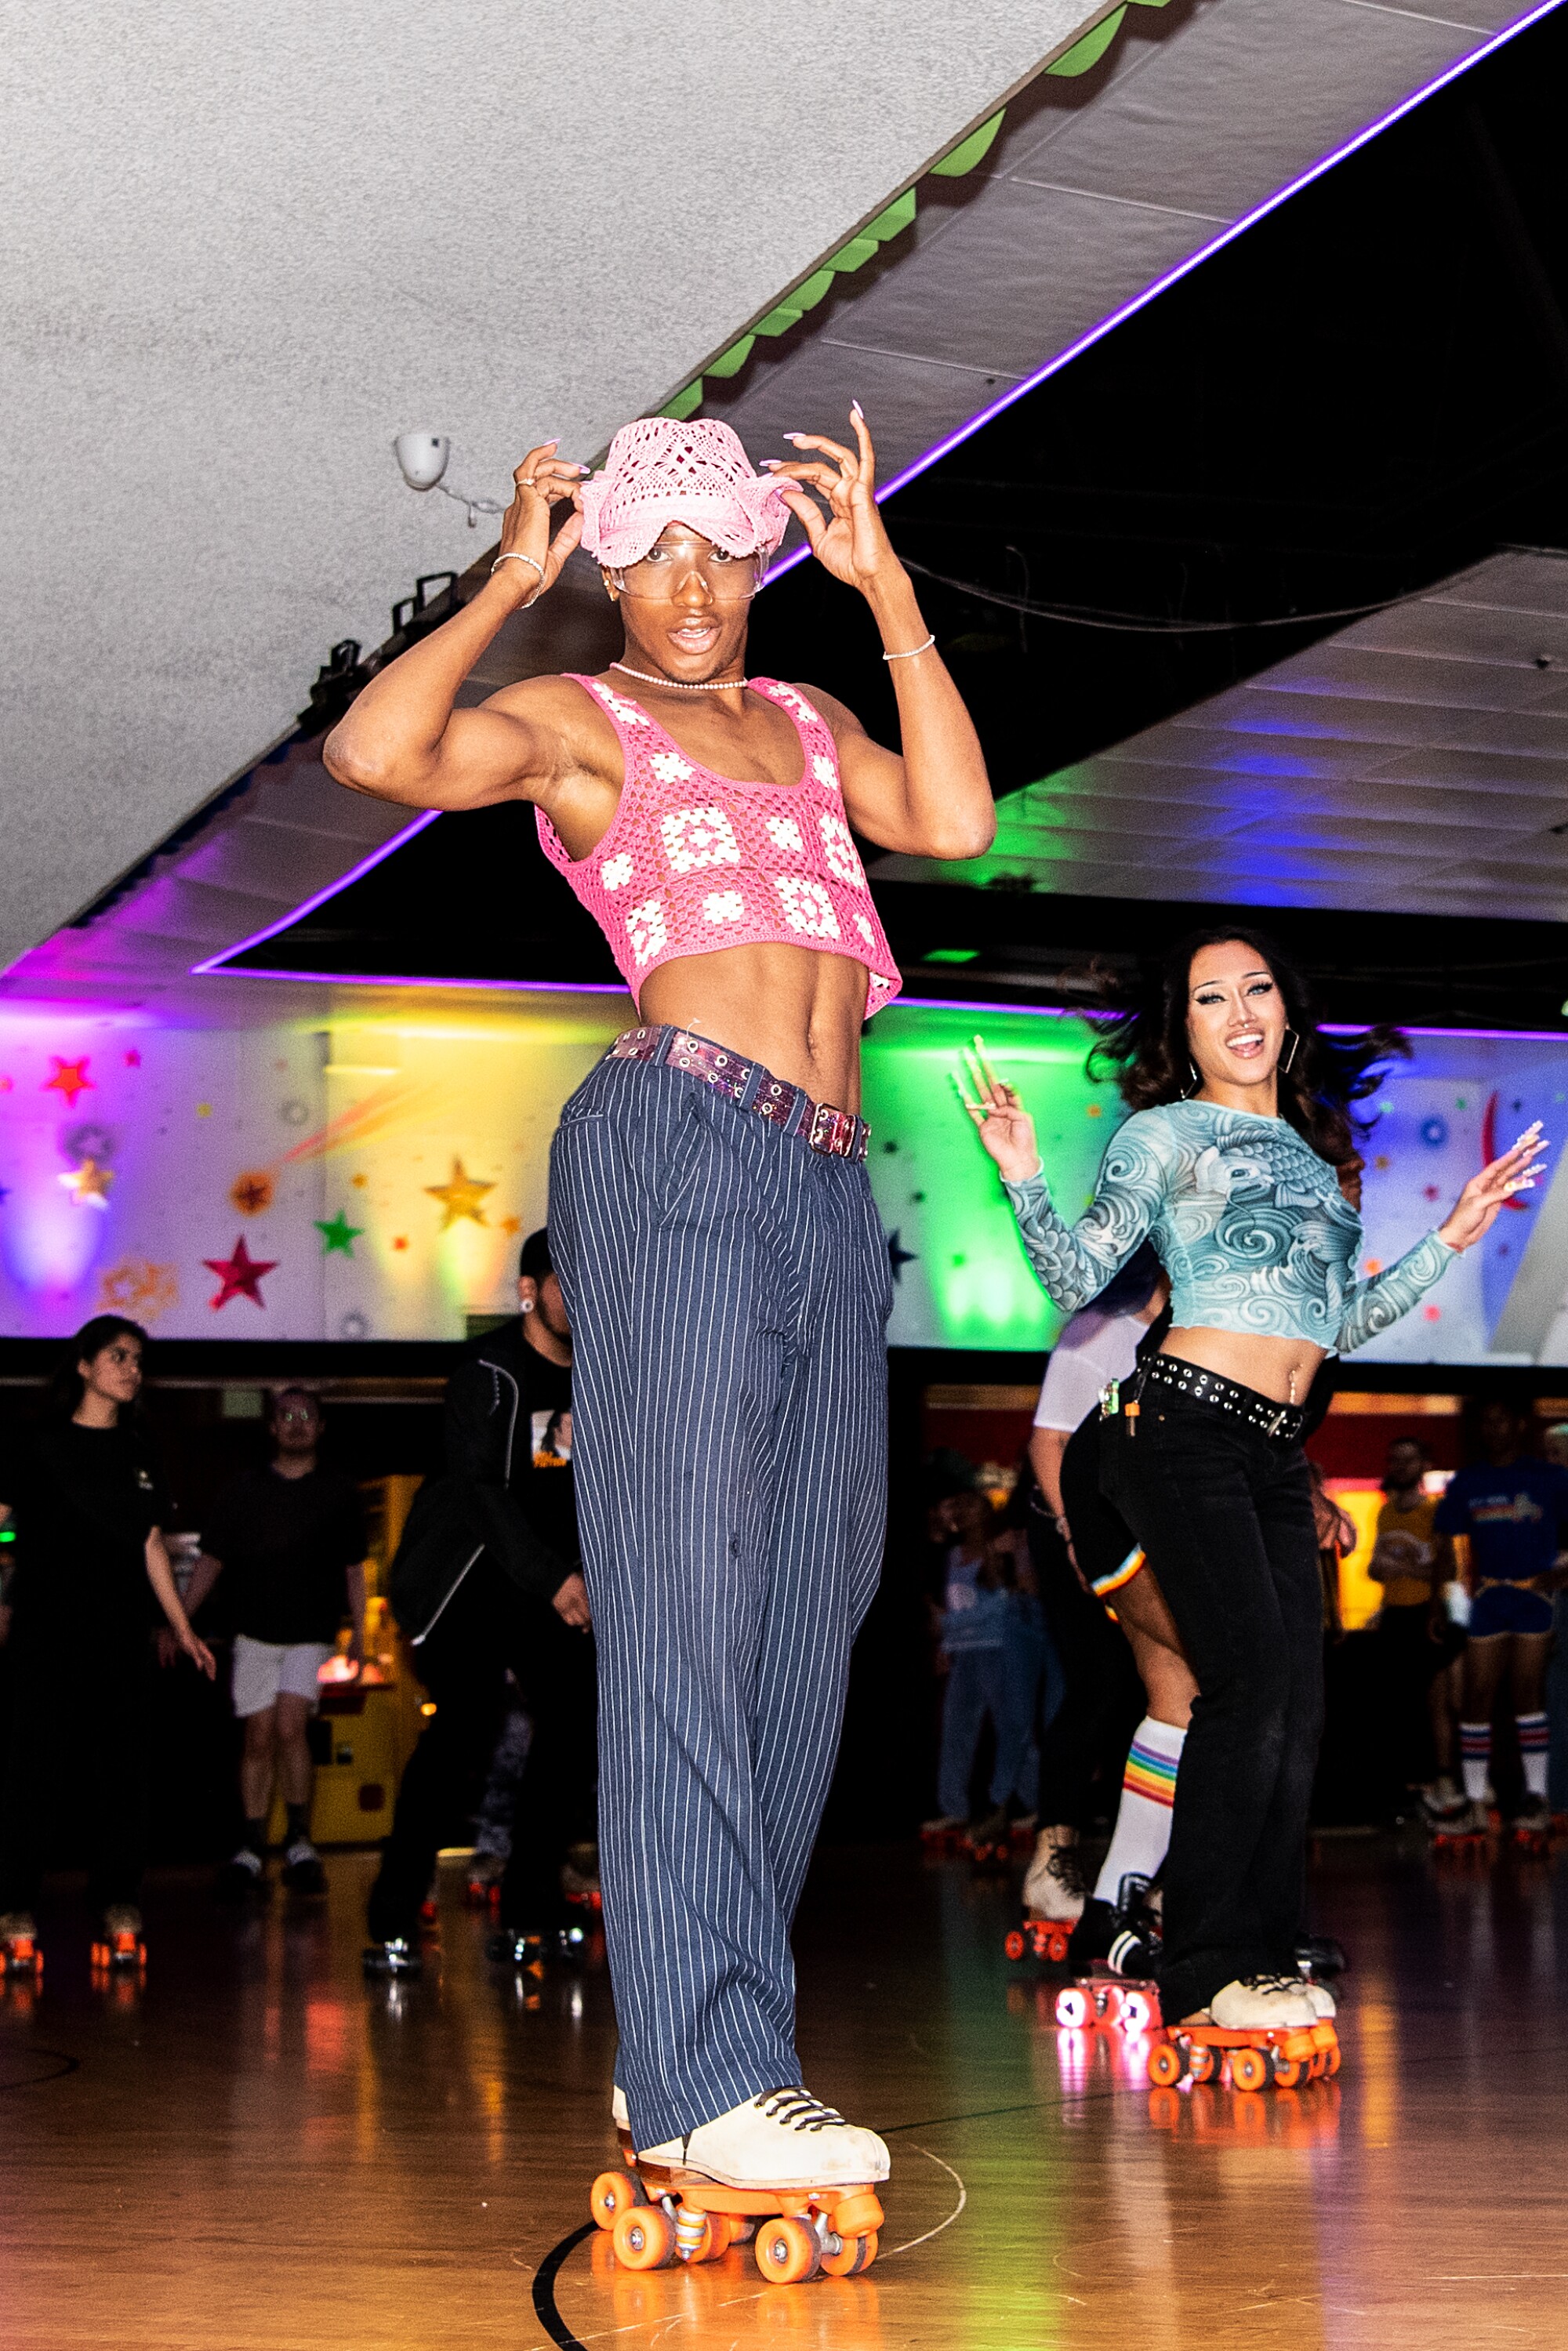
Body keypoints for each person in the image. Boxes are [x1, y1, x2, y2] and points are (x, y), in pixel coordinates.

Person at [324, 409, 991, 2194]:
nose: (690, 584)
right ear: (611, 571)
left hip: (825, 1182)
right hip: (676, 1139)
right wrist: (508, 579)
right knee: (685, 1599)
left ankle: (707, 2051)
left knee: (808, 1600)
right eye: (653, 554)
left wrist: (890, 593)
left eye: (719, 549)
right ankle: (704, 2062)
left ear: (757, 564)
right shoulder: (581, 719)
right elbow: (379, 747)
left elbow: (955, 812)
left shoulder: (806, 720)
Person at [961, 928, 1541, 2033]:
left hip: (1273, 1448)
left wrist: (1453, 1237)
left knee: (1298, 1703)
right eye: (1209, 996)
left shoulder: (1317, 1166)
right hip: (1176, 1427)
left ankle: (1260, 1949)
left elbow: (1337, 1325)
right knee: (1243, 1686)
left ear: (1286, 1009)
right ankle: (1205, 1965)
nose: (1239, 1010)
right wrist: (1023, 1171)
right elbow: (1077, 1275)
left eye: (1257, 988)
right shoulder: (1165, 1132)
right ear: (1184, 1030)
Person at [364, 1229, 596, 1974]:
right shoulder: (488, 1372)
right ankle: (395, 1911)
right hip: (468, 1582)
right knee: (464, 1731)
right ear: (531, 1290)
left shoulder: (597, 1376)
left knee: (570, 1727)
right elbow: (484, 1496)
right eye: (568, 1281)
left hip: (539, 1583)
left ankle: (531, 1902)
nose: (584, 1295)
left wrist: (583, 1575)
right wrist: (556, 1578)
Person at [0, 1317, 216, 1969]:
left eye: (139, 1359)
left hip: (120, 1633)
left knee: (124, 1773)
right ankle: (14, 1905)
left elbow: (152, 1543)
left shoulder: (141, 1449)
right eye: (118, 1356)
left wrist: (181, 1626)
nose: (132, 1368)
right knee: (33, 1773)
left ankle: (119, 1899)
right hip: (44, 1630)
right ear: (85, 1366)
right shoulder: (37, 1443)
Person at [1022, 1248, 1192, 1972]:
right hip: (1066, 1518)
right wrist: (1069, 1530)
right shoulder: (1099, 1327)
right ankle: (1050, 1861)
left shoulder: (1190, 1332)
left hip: (1130, 1527)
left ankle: (1141, 1880)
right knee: (1096, 1685)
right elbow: (1048, 1441)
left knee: (1149, 1695)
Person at [187, 1389, 368, 1898]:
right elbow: (210, 1561)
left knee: (291, 1725)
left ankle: (299, 1842)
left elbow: (356, 1569)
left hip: (310, 1634)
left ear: (321, 1426)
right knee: (258, 1735)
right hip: (253, 1634)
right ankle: (249, 1847)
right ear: (272, 1428)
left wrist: (360, 1632)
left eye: (306, 1415)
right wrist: (179, 1619)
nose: (296, 1423)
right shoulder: (242, 1490)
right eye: (286, 1415)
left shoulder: (339, 1491)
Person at [1435, 1398, 1568, 1838]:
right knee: (1477, 1696)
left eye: (1500, 1419)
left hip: (1535, 1597)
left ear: (1519, 1424)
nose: (1492, 1429)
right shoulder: (1469, 1481)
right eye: (1486, 1422)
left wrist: (1564, 1570)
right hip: (1489, 1598)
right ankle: (1475, 1804)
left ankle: (1538, 1800)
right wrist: (1444, 1603)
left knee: (1528, 1693)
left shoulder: (1549, 1478)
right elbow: (1447, 1547)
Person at [924, 1489, 1039, 1841]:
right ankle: (954, 1808)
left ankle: (1037, 1804)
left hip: (999, 1649)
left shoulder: (999, 1550)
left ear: (986, 1513)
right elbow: (950, 1605)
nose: (963, 1511)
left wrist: (947, 1626)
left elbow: (1002, 1605)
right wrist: (945, 1644)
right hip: (965, 1654)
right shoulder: (953, 1555)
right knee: (956, 1731)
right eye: (959, 1504)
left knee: (1011, 1727)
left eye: (971, 1505)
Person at [1365, 1437, 1449, 1811]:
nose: (1399, 1466)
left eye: (1407, 1460)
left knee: (1429, 1701)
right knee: (1394, 1704)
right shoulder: (1385, 1512)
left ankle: (1436, 1780)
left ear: (1423, 1464)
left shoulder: (1434, 1513)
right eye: (1394, 1459)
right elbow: (1376, 1566)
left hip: (1425, 1614)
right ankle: (1403, 1786)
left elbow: (1448, 1569)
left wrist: (1402, 1569)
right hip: (1394, 1615)